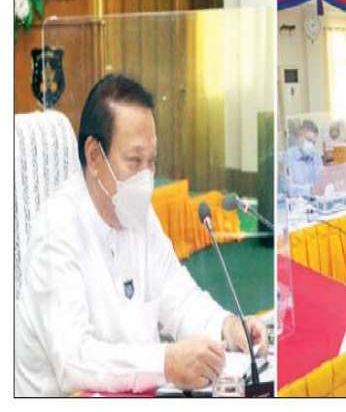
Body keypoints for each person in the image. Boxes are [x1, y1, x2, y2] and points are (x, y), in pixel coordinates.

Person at [15, 74, 267, 397]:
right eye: (134, 161)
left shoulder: (138, 214)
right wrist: (165, 363)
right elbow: (74, 361)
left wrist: (226, 326)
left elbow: (178, 296)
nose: (146, 177)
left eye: (152, 162)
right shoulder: (57, 228)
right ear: (94, 156)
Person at [283, 119, 323, 197]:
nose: (311, 145)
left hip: (316, 199)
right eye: (308, 140)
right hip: (298, 201)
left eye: (313, 142)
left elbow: (322, 180)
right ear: (300, 136)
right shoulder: (289, 156)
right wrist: (309, 190)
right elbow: (289, 188)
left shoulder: (316, 156)